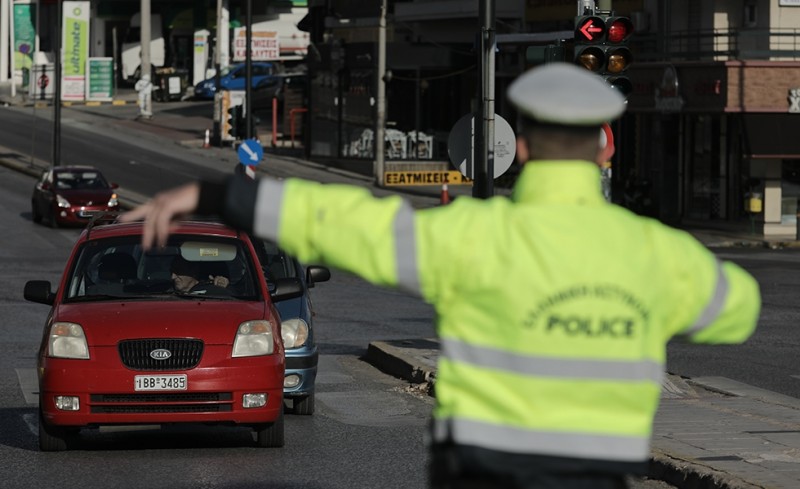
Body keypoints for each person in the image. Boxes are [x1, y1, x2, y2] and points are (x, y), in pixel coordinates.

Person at [120, 62, 761, 488]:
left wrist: (226, 197)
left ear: (525, 147)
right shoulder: (654, 254)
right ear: (607, 148)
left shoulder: (473, 237)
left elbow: (352, 225)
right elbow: (738, 308)